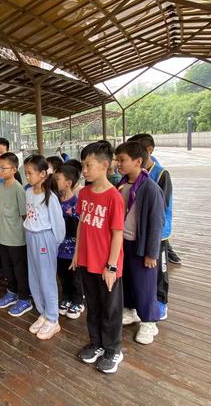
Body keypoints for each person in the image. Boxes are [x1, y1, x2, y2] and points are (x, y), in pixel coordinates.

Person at [72, 141, 125, 374]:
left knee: (110, 309)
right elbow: (82, 224)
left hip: (107, 266)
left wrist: (111, 266)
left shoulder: (114, 197)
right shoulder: (84, 193)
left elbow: (117, 234)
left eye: (88, 165)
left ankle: (113, 349)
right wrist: (76, 253)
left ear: (104, 165)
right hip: (86, 261)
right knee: (92, 305)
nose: (84, 170)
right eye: (83, 165)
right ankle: (96, 343)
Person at [115, 141, 165, 345]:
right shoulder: (122, 183)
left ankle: (149, 322)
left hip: (141, 245)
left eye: (122, 160)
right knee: (127, 280)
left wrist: (152, 253)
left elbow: (156, 222)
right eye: (117, 159)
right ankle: (131, 310)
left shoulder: (150, 188)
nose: (118, 163)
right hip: (123, 242)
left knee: (145, 285)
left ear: (137, 161)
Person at [128, 134, 176, 320]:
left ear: (147, 151)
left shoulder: (161, 174)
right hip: (139, 232)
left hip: (158, 233)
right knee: (142, 271)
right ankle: (139, 305)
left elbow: (160, 207)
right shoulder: (133, 176)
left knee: (159, 270)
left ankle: (161, 303)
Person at [23, 155, 65, 340]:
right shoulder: (28, 192)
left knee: (47, 278)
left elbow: (58, 224)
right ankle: (44, 312)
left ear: (42, 174)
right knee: (34, 277)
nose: (27, 177)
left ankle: (53, 319)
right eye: (26, 173)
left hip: (44, 239)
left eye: (30, 173)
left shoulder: (50, 197)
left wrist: (53, 244)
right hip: (31, 237)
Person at [0, 152, 32, 317]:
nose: (0, 170)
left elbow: (25, 216)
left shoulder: (18, 189)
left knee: (20, 269)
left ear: (14, 169)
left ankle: (24, 298)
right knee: (7, 267)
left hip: (17, 239)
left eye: (4, 168)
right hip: (2, 236)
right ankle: (12, 292)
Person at [55, 164, 84, 319]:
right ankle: (66, 298)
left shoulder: (77, 203)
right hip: (59, 249)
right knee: (63, 276)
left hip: (73, 250)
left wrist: (78, 253)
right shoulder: (56, 202)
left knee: (75, 278)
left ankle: (78, 301)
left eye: (57, 179)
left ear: (68, 182)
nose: (55, 181)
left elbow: (80, 230)